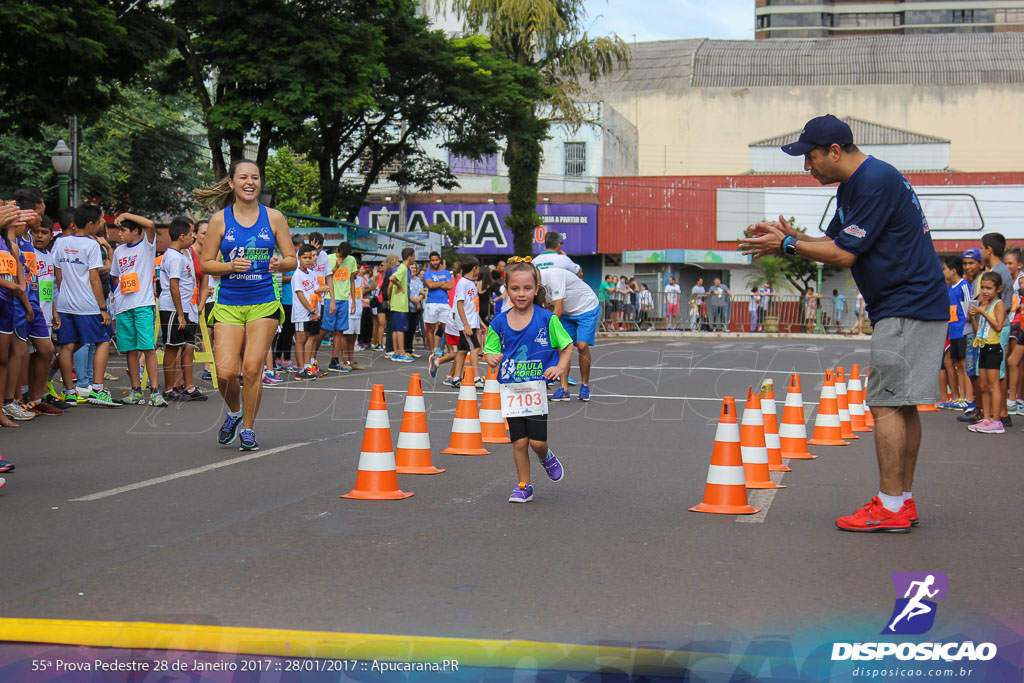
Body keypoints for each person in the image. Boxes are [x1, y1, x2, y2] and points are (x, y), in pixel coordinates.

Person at [740, 114, 947, 533]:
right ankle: (901, 500)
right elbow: (832, 243)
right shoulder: (856, 185)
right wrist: (790, 237)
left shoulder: (873, 182)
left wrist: (786, 243)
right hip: (913, 303)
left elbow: (844, 256)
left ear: (835, 151)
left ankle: (890, 506)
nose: (807, 166)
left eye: (811, 157)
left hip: (906, 304)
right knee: (902, 403)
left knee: (887, 403)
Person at [197, 159, 297, 452]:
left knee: (252, 368)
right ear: (232, 183)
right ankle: (234, 412)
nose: (250, 182)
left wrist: (280, 263)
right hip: (228, 302)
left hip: (263, 301)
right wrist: (228, 266)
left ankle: (249, 429)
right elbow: (206, 264)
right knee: (226, 373)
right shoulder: (219, 220)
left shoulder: (274, 217)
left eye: (255, 177)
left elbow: (291, 258)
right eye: (243, 177)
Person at [483, 257, 573, 503]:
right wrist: (491, 357)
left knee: (537, 442)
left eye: (527, 288)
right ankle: (524, 485)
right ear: (506, 289)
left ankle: (546, 456)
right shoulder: (499, 323)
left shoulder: (547, 319)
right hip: (511, 390)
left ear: (536, 289)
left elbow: (567, 346)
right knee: (519, 442)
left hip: (535, 389)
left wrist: (559, 366)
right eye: (515, 289)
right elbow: (489, 349)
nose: (521, 294)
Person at [53, 203, 121, 408]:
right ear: (90, 223)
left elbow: (58, 273)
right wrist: (102, 307)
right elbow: (94, 279)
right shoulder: (91, 245)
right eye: (100, 220)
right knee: (103, 340)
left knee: (66, 345)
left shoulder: (61, 243)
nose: (101, 224)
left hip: (64, 303)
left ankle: (69, 392)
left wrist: (65, 292)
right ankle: (98, 389)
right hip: (88, 305)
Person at [111, 212, 166, 407]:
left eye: (123, 230)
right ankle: (135, 391)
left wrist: (126, 214)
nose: (119, 234)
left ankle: (154, 391)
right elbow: (115, 277)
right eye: (119, 230)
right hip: (123, 306)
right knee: (129, 350)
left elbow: (150, 223)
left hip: (142, 305)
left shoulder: (146, 246)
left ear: (136, 231)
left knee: (148, 348)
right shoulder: (118, 252)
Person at [158, 217, 205, 401]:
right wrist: (180, 314)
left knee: (187, 346)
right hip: (173, 309)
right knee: (171, 347)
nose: (193, 237)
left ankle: (185, 386)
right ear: (182, 235)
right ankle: (169, 388)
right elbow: (174, 286)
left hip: (187, 307)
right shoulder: (173, 257)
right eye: (191, 232)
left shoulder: (183, 254)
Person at [542, 263, 600, 402]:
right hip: (568, 313)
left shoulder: (554, 276)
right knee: (563, 347)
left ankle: (585, 385)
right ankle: (563, 390)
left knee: (581, 346)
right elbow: (547, 308)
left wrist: (545, 331)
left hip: (587, 308)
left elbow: (558, 310)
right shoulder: (534, 287)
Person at [429, 255, 480, 387]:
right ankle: (476, 378)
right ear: (474, 268)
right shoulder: (463, 283)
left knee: (462, 350)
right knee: (475, 348)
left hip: (471, 322)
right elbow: (459, 305)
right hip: (466, 324)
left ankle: (456, 378)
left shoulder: (471, 284)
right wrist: (466, 325)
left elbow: (473, 306)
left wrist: (480, 323)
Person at [980, 232, 1013, 428]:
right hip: (988, 328)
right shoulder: (996, 269)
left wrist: (983, 313)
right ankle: (993, 413)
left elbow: (1002, 308)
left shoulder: (1000, 272)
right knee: (991, 374)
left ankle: (1001, 414)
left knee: (997, 373)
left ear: (989, 249)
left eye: (982, 248)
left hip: (999, 327)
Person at [967, 272, 1006, 434]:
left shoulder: (998, 304)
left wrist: (982, 313)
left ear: (998, 289)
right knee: (983, 386)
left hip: (994, 348)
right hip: (983, 346)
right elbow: (978, 331)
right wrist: (973, 319)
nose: (985, 291)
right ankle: (987, 418)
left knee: (993, 386)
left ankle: (997, 421)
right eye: (982, 287)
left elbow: (998, 326)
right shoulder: (984, 305)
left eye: (989, 288)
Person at [938, 256, 972, 411]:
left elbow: (968, 309)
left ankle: (966, 397)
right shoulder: (950, 288)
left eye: (944, 269)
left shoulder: (964, 286)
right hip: (952, 331)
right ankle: (958, 397)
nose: (943, 272)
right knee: (955, 364)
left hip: (963, 330)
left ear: (953, 271)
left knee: (964, 364)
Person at [958, 248, 984, 424]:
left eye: (971, 263)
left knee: (974, 370)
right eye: (965, 264)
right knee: (971, 369)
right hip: (970, 329)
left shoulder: (981, 280)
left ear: (980, 264)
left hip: (977, 330)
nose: (967, 267)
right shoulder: (973, 282)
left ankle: (980, 408)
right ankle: (978, 406)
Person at [325, 241, 358, 373]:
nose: (342, 258)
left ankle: (334, 360)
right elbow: (325, 277)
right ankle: (311, 360)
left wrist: (353, 301)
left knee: (340, 331)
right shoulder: (329, 258)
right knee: (324, 330)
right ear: (337, 249)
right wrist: (336, 267)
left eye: (344, 257)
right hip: (329, 298)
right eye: (340, 255)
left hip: (344, 299)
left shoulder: (351, 260)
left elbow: (352, 281)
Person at [291, 245, 321, 379]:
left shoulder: (311, 273)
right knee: (301, 339)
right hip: (301, 312)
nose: (308, 260)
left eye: (310, 258)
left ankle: (307, 366)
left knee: (309, 337)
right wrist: (311, 309)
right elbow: (300, 294)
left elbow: (313, 292)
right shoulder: (297, 274)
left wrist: (316, 309)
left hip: (312, 311)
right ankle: (300, 369)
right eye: (305, 258)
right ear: (299, 258)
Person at [1003, 248, 1024, 416]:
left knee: (1017, 361)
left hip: (1019, 322)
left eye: (1010, 263)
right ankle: (1012, 397)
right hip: (1010, 321)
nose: (1007, 266)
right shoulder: (1009, 279)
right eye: (1006, 263)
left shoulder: (1021, 279)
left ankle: (1017, 398)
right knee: (1010, 359)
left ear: (1020, 264)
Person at [422, 251, 452, 356]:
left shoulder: (446, 272)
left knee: (447, 328)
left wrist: (436, 284)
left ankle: (450, 352)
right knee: (431, 328)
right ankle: (432, 352)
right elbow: (430, 285)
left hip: (444, 303)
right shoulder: (427, 273)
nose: (435, 262)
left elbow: (450, 286)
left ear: (440, 260)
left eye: (436, 260)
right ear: (430, 261)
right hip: (431, 303)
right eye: (433, 260)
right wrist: (443, 283)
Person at [388, 247, 415, 363]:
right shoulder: (403, 268)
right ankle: (402, 352)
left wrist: (390, 299)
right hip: (400, 303)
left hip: (396, 302)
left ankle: (396, 352)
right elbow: (392, 278)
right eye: (413, 256)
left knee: (395, 329)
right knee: (400, 329)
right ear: (410, 257)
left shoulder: (401, 268)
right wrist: (399, 286)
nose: (414, 258)